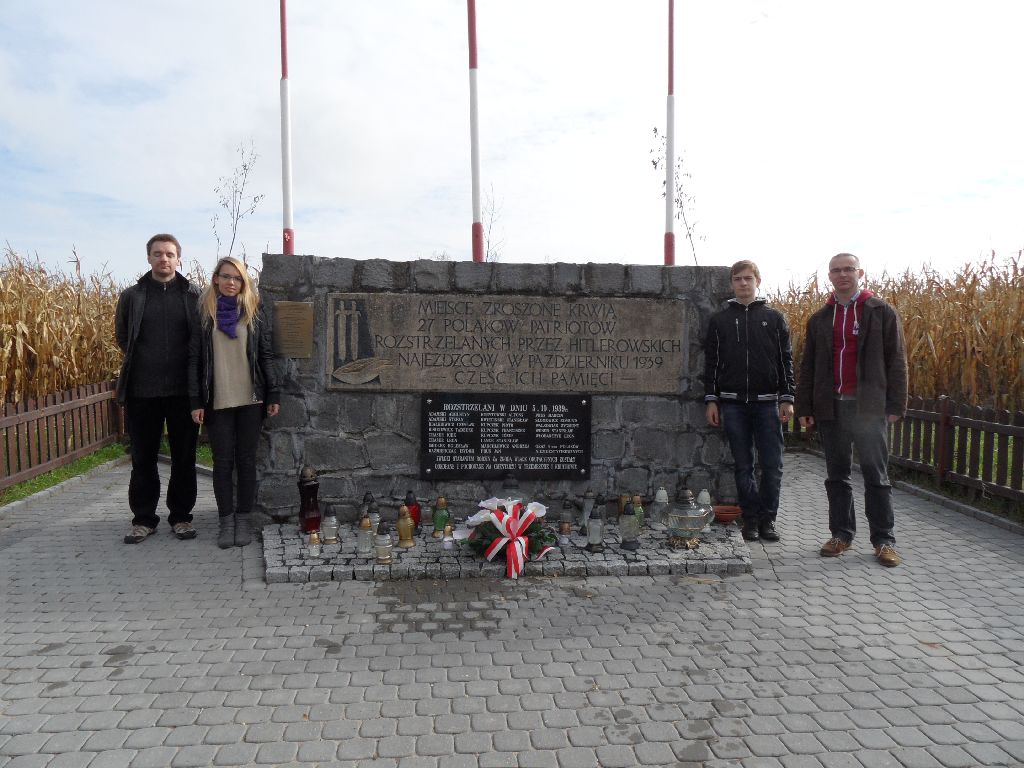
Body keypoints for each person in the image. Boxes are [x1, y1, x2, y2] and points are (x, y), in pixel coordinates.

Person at [795, 252, 908, 567]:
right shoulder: (820, 319)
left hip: (868, 410)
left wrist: (896, 404)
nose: (842, 275)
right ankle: (841, 535)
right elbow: (809, 367)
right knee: (837, 477)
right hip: (833, 409)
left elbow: (897, 360)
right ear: (829, 276)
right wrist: (806, 405)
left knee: (876, 476)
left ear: (860, 273)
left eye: (848, 269)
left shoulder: (881, 312)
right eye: (836, 270)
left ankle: (884, 541)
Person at [189, 257, 281, 549]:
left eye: (237, 278)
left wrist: (274, 393)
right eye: (226, 277)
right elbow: (194, 361)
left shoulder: (253, 312)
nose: (231, 282)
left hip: (250, 400)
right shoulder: (205, 314)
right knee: (222, 463)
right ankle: (225, 521)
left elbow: (265, 355)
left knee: (245, 461)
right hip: (217, 400)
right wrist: (195, 401)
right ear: (216, 279)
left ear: (244, 282)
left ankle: (243, 520)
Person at [116, 234, 201, 544]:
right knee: (143, 458)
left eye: (169, 254)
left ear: (178, 258)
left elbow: (200, 343)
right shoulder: (132, 296)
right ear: (148, 258)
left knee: (184, 458)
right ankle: (143, 519)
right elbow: (123, 336)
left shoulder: (194, 296)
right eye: (157, 254)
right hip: (143, 392)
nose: (163, 259)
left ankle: (180, 517)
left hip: (182, 393)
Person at [704, 260, 795, 542]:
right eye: (737, 279)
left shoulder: (774, 318)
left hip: (767, 403)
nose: (743, 283)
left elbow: (785, 361)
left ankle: (769, 520)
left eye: (747, 278)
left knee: (772, 466)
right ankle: (751, 520)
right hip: (732, 405)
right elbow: (712, 364)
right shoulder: (720, 321)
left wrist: (787, 397)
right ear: (731, 283)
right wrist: (711, 400)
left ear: (757, 281)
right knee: (743, 466)